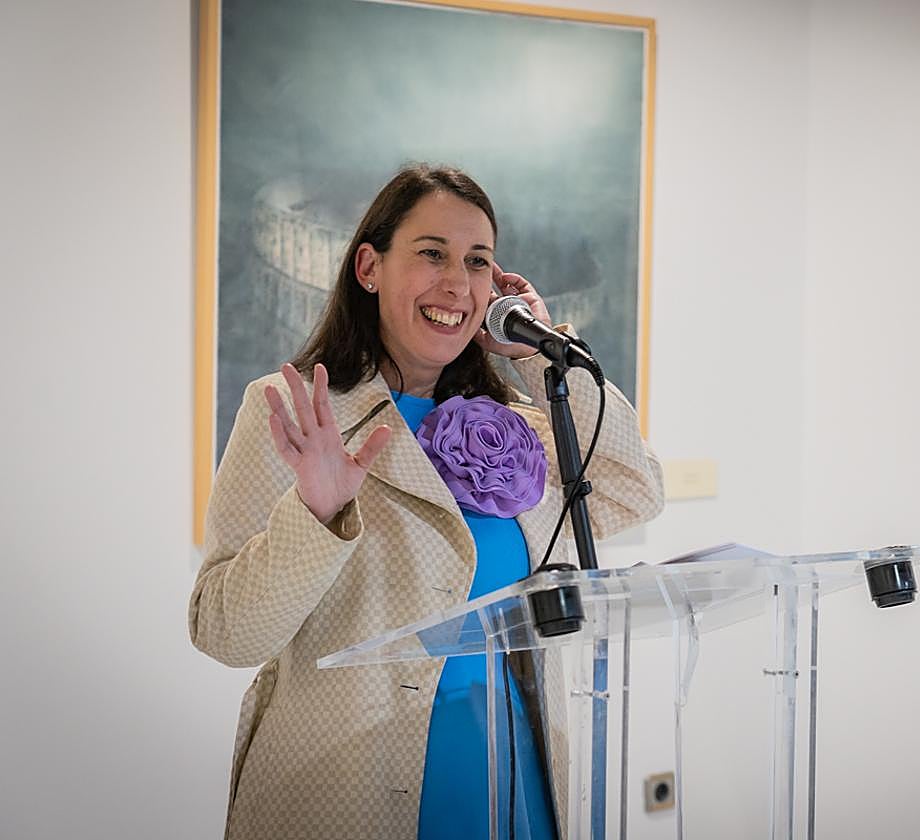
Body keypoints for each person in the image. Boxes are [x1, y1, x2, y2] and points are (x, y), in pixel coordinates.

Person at [189, 164, 664, 840]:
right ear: (369, 267)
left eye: (478, 261)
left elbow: (634, 486)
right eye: (432, 253)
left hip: (511, 786)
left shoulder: (519, 427)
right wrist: (314, 516)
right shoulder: (294, 411)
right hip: (347, 793)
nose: (458, 284)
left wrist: (539, 356)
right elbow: (225, 632)